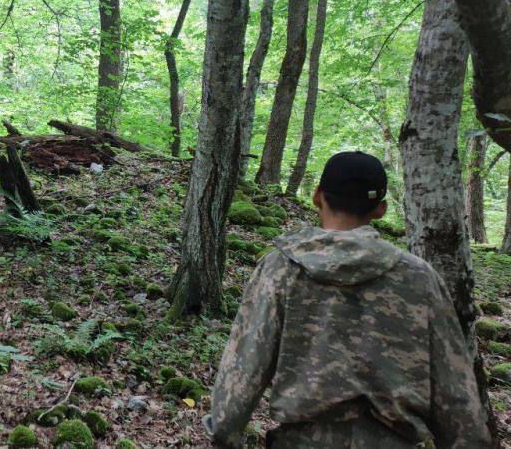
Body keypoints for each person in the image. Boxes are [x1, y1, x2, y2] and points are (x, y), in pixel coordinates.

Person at [204, 151, 491, 448]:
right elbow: (456, 393)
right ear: (380, 209)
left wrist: (225, 431)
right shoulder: (419, 278)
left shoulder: (281, 269)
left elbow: (245, 364)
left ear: (317, 196)